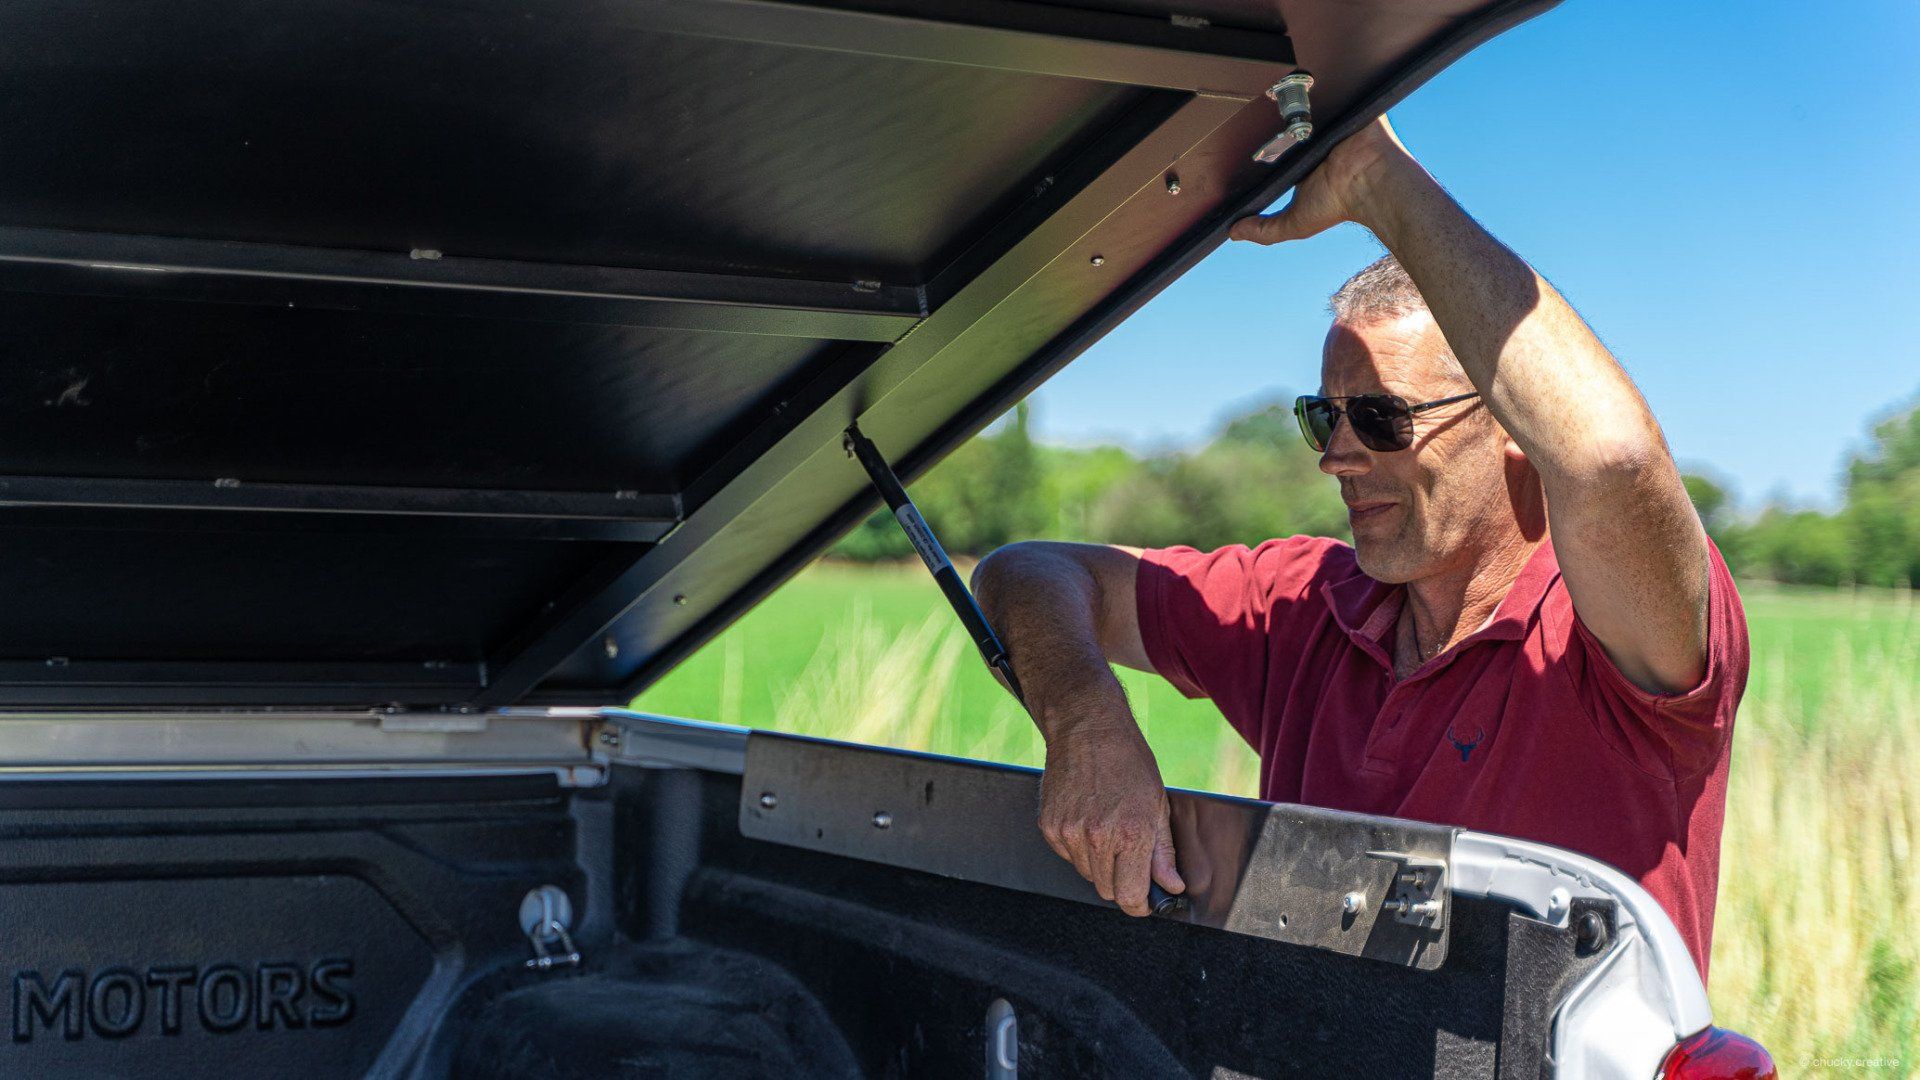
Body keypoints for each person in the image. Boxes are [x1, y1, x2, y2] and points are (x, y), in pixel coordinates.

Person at [970, 116, 1747, 981]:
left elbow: (1611, 461)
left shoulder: (1613, 639)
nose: (1338, 457)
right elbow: (1028, 572)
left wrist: (1380, 182)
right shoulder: (1306, 604)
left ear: (1515, 429)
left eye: (1381, 418)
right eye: (1324, 418)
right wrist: (1086, 719)